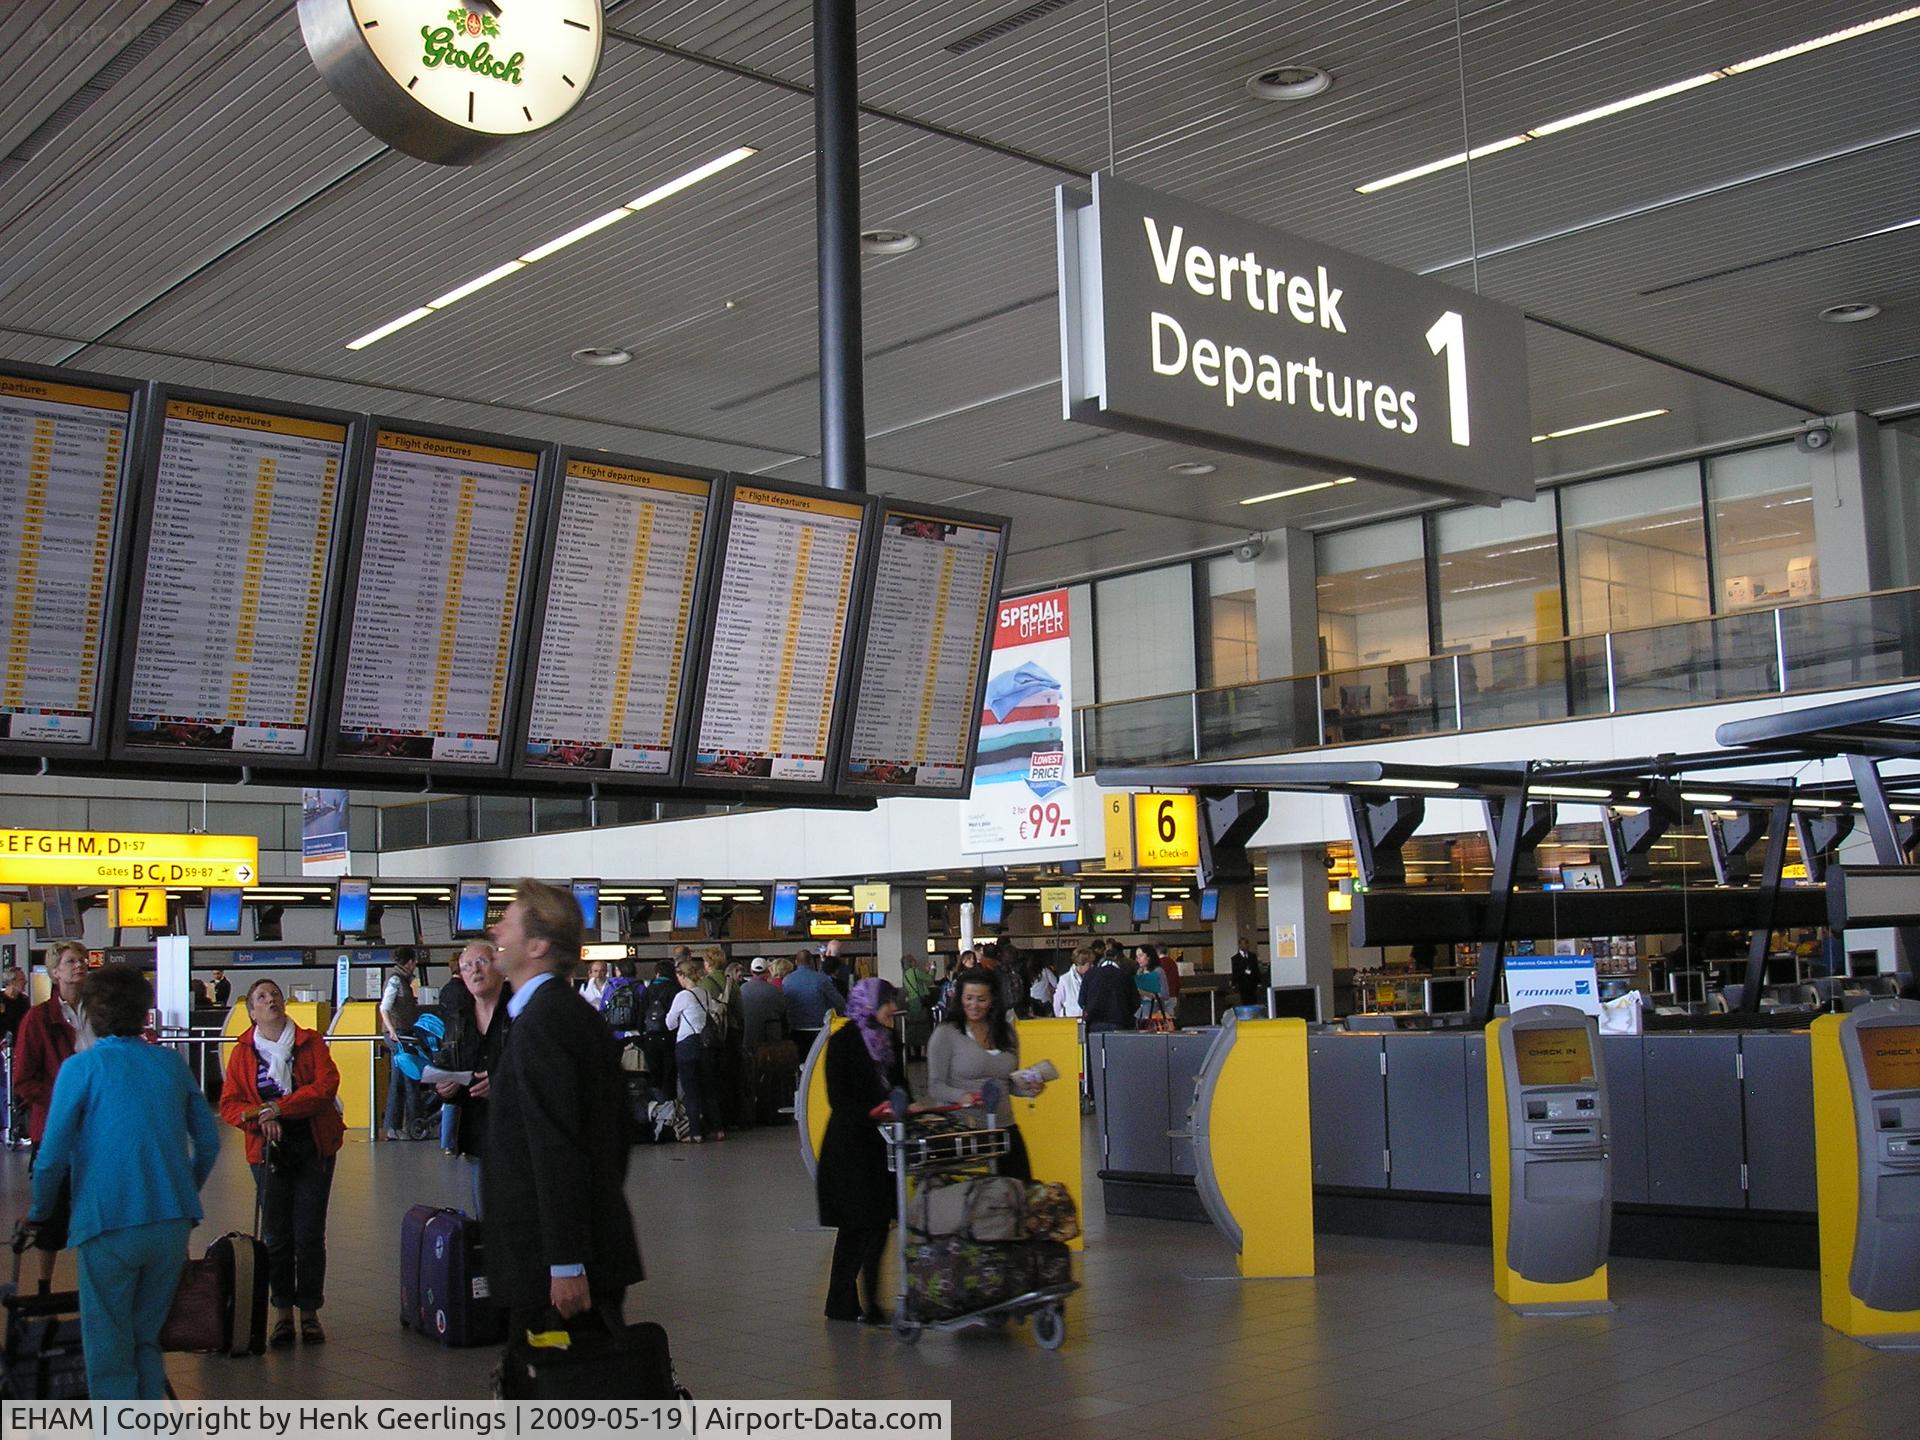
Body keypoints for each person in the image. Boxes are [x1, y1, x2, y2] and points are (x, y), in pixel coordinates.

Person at [24, 965, 220, 1397]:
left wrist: (39, 1214)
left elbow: (52, 1156)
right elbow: (207, 1142)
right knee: (146, 1338)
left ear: (90, 1012)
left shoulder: (82, 1069)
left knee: (109, 1346)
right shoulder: (170, 1065)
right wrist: (183, 1191)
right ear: (145, 1012)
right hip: (171, 1221)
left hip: (107, 1221)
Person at [485, 879, 643, 1337]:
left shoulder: (545, 1023)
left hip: (553, 1270)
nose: (496, 932)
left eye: (507, 923)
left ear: (537, 944)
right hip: (571, 1253)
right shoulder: (561, 1014)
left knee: (561, 1394)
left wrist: (566, 1261)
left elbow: (557, 1147)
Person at [219, 978, 343, 1347]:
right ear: (251, 1011)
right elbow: (230, 1105)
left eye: (274, 994)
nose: (270, 1000)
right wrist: (261, 1117)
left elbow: (324, 1088)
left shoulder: (310, 1042)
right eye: (261, 996)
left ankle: (309, 1311)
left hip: (312, 1145)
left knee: (308, 1233)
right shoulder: (243, 1052)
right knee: (276, 1234)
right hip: (267, 1151)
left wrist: (278, 1107)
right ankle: (282, 1313)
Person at [816, 978, 909, 1324]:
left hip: (882, 1148)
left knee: (876, 1225)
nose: (892, 1011)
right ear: (870, 1005)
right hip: (850, 1149)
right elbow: (839, 1100)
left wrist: (905, 1107)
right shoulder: (842, 1043)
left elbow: (901, 1087)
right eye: (887, 1003)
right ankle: (849, 1303)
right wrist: (875, 1111)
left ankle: (862, 1303)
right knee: (858, 1226)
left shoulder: (888, 1042)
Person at [13, 940, 88, 1285]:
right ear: (55, 972)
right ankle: (45, 1282)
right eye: (71, 961)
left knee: (95, 1207)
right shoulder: (38, 1019)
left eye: (82, 960)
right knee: (53, 1214)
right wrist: (62, 1101)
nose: (79, 965)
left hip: (96, 1129)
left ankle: (94, 1282)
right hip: (56, 1129)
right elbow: (24, 1079)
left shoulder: (98, 1014)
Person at [926, 968, 1043, 1181]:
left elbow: (1008, 1082)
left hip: (1004, 1127)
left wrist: (1028, 1088)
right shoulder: (946, 1034)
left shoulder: (1006, 1033)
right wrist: (960, 1096)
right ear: (959, 998)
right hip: (964, 1130)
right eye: (968, 998)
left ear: (992, 1001)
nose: (974, 1005)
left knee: (1019, 1189)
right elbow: (935, 1085)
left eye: (981, 999)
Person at [434, 941, 510, 1216]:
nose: (475, 971)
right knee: (487, 1220)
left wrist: (502, 1083)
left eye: (482, 962)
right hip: (478, 1133)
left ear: (500, 967)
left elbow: (541, 1068)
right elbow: (446, 1063)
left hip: (519, 1132)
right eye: (467, 966)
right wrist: (445, 1088)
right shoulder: (459, 1019)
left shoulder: (520, 1012)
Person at [667, 957, 722, 1142]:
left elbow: (670, 1023)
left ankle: (696, 1133)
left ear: (682, 975)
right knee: (710, 1089)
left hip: (687, 1045)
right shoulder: (705, 993)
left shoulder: (682, 996)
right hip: (706, 1044)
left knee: (691, 1091)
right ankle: (718, 1129)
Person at [379, 945, 422, 1141]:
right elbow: (384, 1007)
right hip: (400, 1035)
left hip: (401, 1034)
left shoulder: (401, 979)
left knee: (402, 1079)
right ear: (410, 962)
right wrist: (393, 1030)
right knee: (406, 1079)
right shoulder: (396, 980)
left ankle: (397, 1126)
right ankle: (409, 1126)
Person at [437, 961, 473, 1155]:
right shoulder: (464, 992)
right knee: (462, 1093)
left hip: (448, 1043)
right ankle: (455, 1141)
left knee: (450, 1093)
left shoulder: (445, 990)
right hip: (461, 1047)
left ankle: (447, 1141)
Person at [783, 949, 846, 1056]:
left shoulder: (787, 980)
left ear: (796, 962)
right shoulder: (821, 979)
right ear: (812, 962)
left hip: (795, 1029)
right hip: (819, 1030)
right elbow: (839, 1002)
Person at [1079, 946, 1139, 1035]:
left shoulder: (1090, 975)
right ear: (1117, 959)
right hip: (1120, 1022)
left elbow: (1081, 1001)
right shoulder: (1125, 975)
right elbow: (1136, 1002)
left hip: (1094, 1024)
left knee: (1096, 1048)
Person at [0, 966, 28, 1147]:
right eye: (20, 980)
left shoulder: (23, 1002)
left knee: (17, 1088)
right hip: (2, 1049)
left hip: (18, 1050)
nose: (24, 983)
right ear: (10, 982)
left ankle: (19, 1128)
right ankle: (5, 1127)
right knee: (4, 1088)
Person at [738, 958, 787, 1048]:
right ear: (767, 971)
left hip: (748, 1036)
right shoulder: (774, 990)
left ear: (751, 971)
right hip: (770, 1038)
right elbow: (783, 1011)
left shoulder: (742, 989)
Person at [1053, 946, 1095, 1019]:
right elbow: (1057, 1003)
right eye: (1089, 964)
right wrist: (1061, 1017)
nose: (1092, 966)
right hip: (1071, 1020)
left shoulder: (1093, 977)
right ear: (1080, 964)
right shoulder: (1065, 979)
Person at [1133, 945, 1167, 1023]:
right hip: (1140, 1012)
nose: (1138, 959)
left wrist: (1148, 994)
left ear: (1149, 956)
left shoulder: (1158, 971)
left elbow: (1165, 994)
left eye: (1141, 956)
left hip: (1154, 1011)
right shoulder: (1139, 972)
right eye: (1137, 957)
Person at [1229, 936, 1262, 1008]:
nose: (1244, 946)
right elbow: (1235, 972)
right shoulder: (1235, 958)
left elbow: (1256, 969)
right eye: (1242, 944)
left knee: (1253, 1003)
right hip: (1242, 984)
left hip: (1252, 984)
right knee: (1244, 1003)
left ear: (1248, 945)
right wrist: (1233, 984)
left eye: (1245, 944)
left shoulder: (1252, 956)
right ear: (1239, 945)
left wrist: (1259, 982)